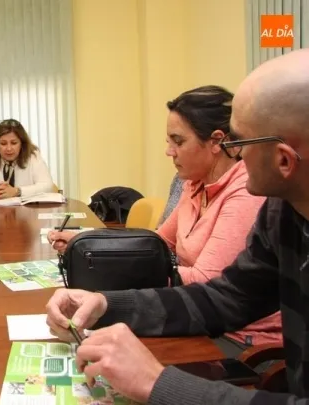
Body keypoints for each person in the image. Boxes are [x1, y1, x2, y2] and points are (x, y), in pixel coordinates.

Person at [46, 48, 309, 404]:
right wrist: (106, 304)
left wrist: (157, 383)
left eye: (239, 142)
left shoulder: (260, 198)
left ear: (284, 161)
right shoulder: (282, 211)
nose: (235, 153)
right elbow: (226, 298)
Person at [47, 85, 280, 352]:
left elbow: (205, 281)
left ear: (217, 141)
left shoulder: (247, 191)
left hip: (238, 339)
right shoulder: (194, 184)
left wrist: (111, 267)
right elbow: (157, 243)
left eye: (178, 141)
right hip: (192, 313)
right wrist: (88, 244)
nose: (169, 151)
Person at [0, 119, 55, 199]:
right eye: (3, 143)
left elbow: (48, 186)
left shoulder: (32, 157)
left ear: (22, 144)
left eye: (14, 143)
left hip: (28, 211)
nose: (9, 148)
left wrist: (17, 191)